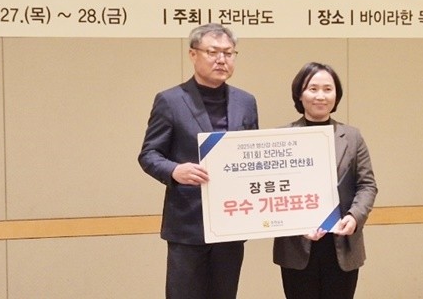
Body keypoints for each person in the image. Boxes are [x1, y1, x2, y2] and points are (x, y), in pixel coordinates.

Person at [138, 23, 258, 299]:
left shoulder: (246, 102)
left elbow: (251, 154)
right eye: (212, 52)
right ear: (193, 54)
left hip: (231, 222)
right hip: (188, 223)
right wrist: (175, 170)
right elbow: (149, 154)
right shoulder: (170, 100)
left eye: (228, 53)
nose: (221, 59)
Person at [273, 62, 377, 299]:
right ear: (300, 94)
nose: (320, 96)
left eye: (328, 89)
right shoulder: (282, 137)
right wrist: (296, 224)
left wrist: (354, 217)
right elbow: (276, 192)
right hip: (297, 247)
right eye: (313, 89)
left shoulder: (352, 137)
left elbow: (367, 185)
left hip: (343, 244)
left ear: (336, 95)